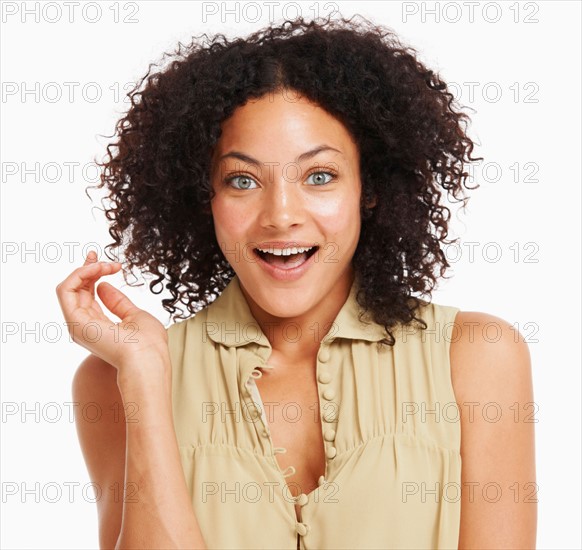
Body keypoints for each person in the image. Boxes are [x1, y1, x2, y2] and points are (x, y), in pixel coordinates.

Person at [55, 14, 536, 549]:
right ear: (202, 197)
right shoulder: (114, 383)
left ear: (368, 188)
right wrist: (144, 377)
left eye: (320, 176)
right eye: (242, 180)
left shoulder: (478, 358)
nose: (281, 215)